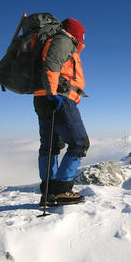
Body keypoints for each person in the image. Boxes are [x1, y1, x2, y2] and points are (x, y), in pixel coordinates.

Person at [33, 18, 89, 206]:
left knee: (50, 146)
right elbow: (52, 64)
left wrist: (48, 93)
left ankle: (48, 192)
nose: (83, 38)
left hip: (43, 98)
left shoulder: (54, 40)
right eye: (83, 34)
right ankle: (62, 190)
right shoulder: (63, 40)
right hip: (58, 97)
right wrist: (53, 93)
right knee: (79, 143)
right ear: (76, 32)